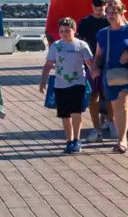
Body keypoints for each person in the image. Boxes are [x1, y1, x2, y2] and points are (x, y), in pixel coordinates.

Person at [94, 0, 128, 153]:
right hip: (110, 75)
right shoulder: (102, 34)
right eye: (108, 12)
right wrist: (95, 66)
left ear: (122, 13)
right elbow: (98, 55)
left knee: (123, 105)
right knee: (116, 109)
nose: (110, 15)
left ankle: (122, 141)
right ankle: (121, 138)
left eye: (113, 12)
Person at [40, 16, 94, 153]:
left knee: (76, 112)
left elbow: (90, 63)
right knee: (64, 114)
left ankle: (77, 139)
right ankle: (69, 140)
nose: (64, 33)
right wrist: (43, 82)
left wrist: (95, 73)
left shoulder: (81, 45)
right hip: (60, 84)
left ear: (74, 31)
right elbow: (48, 65)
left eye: (67, 31)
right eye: (62, 31)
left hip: (78, 83)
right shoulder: (56, 46)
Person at [80, 0, 111, 140]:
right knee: (94, 95)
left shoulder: (109, 21)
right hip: (91, 61)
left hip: (109, 61)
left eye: (102, 9)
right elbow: (81, 43)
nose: (99, 12)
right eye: (96, 9)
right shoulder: (85, 22)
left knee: (109, 94)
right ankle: (96, 126)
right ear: (92, 7)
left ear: (106, 6)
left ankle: (110, 122)